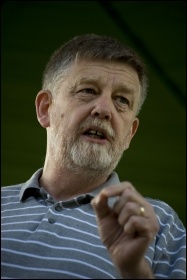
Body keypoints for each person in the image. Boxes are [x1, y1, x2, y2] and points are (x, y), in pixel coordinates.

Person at [1, 34, 186, 279]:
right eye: (88, 90)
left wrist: (133, 271)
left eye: (122, 100)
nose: (104, 110)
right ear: (45, 109)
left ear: (130, 133)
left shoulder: (160, 225)